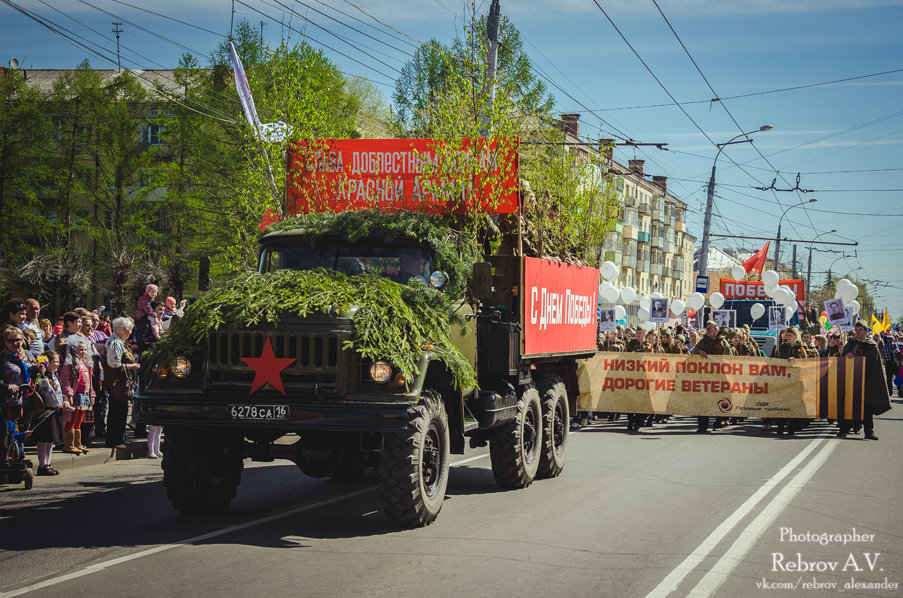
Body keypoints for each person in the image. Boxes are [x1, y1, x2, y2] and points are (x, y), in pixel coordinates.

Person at [838, 321, 892, 439]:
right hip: (851, 380)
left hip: (867, 380)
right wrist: (847, 355)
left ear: (866, 331)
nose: (858, 331)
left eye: (860, 329)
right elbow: (842, 360)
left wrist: (858, 359)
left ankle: (869, 432)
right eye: (856, 329)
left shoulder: (872, 346)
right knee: (849, 406)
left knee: (867, 407)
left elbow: (874, 364)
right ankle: (844, 429)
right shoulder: (850, 344)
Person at [104, 317, 139, 450]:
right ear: (122, 329)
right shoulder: (114, 342)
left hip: (121, 383)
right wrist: (132, 366)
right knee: (116, 411)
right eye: (129, 329)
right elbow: (114, 363)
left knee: (122, 410)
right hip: (116, 383)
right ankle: (113, 440)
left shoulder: (120, 342)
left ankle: (120, 438)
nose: (130, 331)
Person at [692, 320, 732, 433]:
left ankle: (718, 423)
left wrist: (709, 357)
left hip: (719, 377)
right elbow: (693, 354)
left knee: (718, 400)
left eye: (710, 329)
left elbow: (725, 359)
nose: (708, 331)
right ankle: (702, 426)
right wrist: (699, 352)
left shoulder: (723, 343)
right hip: (704, 377)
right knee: (702, 401)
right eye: (707, 328)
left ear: (716, 330)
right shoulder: (703, 342)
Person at [33, 350, 65, 475]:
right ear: (47, 363)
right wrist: (40, 373)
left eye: (58, 361)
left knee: (51, 439)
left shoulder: (54, 376)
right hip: (45, 410)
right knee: (43, 439)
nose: (57, 364)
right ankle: (42, 465)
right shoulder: (41, 376)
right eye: (55, 362)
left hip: (55, 410)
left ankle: (48, 463)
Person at [59, 342, 94, 454]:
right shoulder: (69, 365)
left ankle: (77, 444)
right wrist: (69, 395)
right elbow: (66, 381)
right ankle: (69, 444)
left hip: (84, 395)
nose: (83, 352)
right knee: (72, 420)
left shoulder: (85, 364)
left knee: (79, 421)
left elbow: (90, 382)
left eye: (85, 349)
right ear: (74, 350)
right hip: (76, 395)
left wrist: (91, 395)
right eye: (80, 350)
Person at [623, 324, 655, 432]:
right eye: (636, 333)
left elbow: (650, 357)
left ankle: (638, 421)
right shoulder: (631, 344)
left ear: (645, 334)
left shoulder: (648, 346)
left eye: (640, 333)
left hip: (644, 377)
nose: (638, 335)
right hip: (632, 376)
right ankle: (630, 420)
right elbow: (625, 356)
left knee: (641, 401)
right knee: (631, 401)